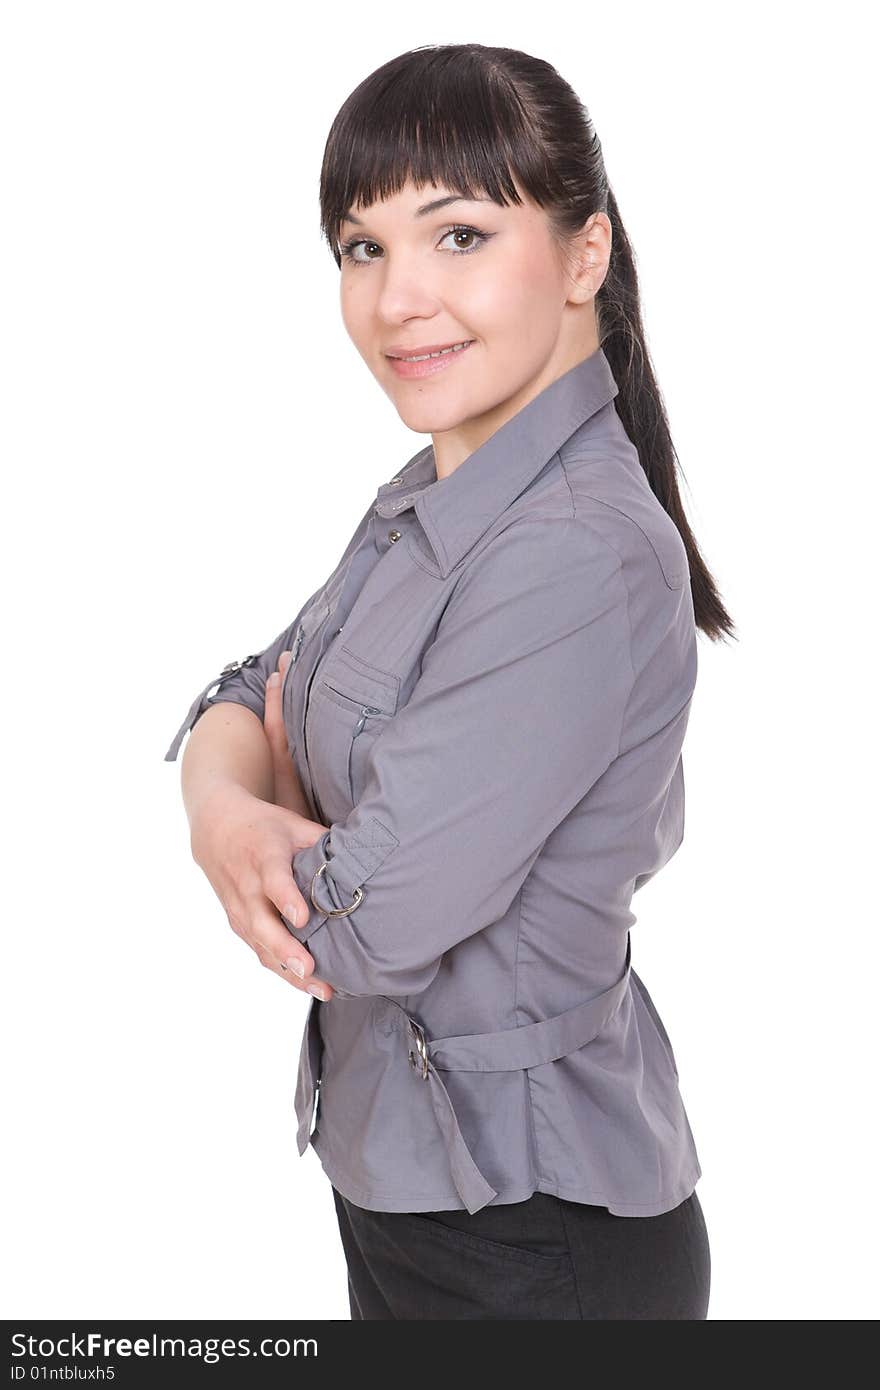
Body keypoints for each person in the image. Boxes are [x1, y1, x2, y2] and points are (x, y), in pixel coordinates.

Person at [165, 43, 733, 1320]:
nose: (397, 298)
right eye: (362, 249)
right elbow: (257, 681)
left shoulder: (573, 552)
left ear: (585, 255)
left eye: (459, 235)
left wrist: (233, 814)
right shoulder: (438, 500)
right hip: (410, 1190)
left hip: (531, 1234)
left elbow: (367, 922)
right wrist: (226, 807)